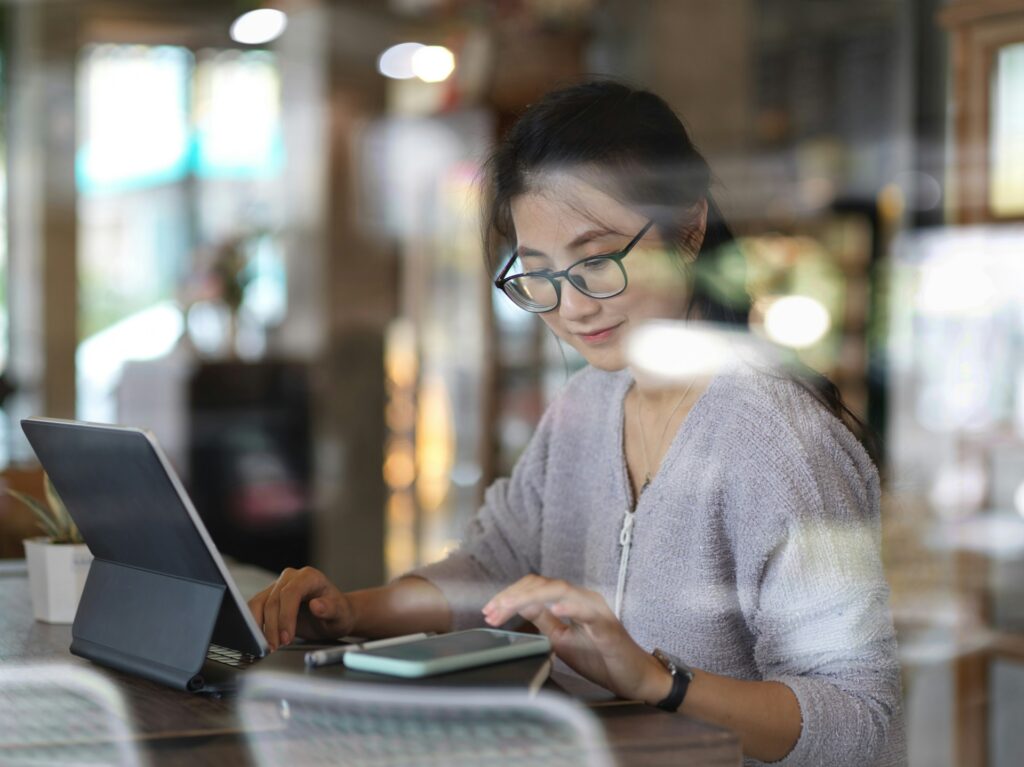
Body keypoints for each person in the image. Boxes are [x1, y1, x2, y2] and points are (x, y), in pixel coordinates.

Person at [249, 80, 905, 767]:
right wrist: (351, 612)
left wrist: (657, 679)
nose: (572, 307)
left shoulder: (778, 440)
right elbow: (492, 567)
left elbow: (857, 719)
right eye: (539, 274)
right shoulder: (589, 405)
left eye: (596, 260)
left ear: (689, 226)